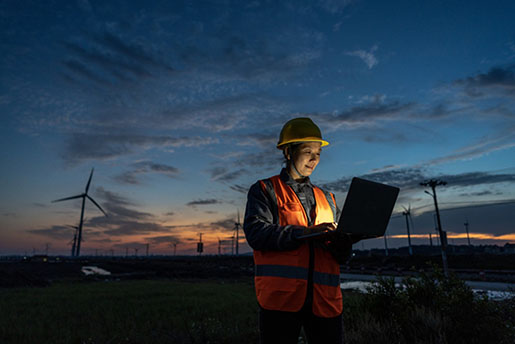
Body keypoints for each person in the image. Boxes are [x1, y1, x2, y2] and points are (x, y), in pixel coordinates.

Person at [243, 117, 354, 344]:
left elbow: (340, 255)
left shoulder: (328, 199)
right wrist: (304, 233)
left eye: (318, 153)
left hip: (325, 301)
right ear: (288, 152)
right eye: (307, 151)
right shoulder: (265, 190)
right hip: (281, 301)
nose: (314, 159)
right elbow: (256, 232)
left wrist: (345, 242)